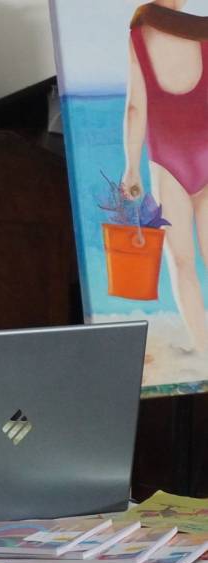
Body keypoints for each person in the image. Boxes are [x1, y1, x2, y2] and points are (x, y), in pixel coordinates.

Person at [122, 0, 208, 353]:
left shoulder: (139, 35)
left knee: (182, 263)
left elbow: (135, 108)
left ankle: (205, 349)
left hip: (167, 163)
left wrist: (131, 167)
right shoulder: (203, 32)